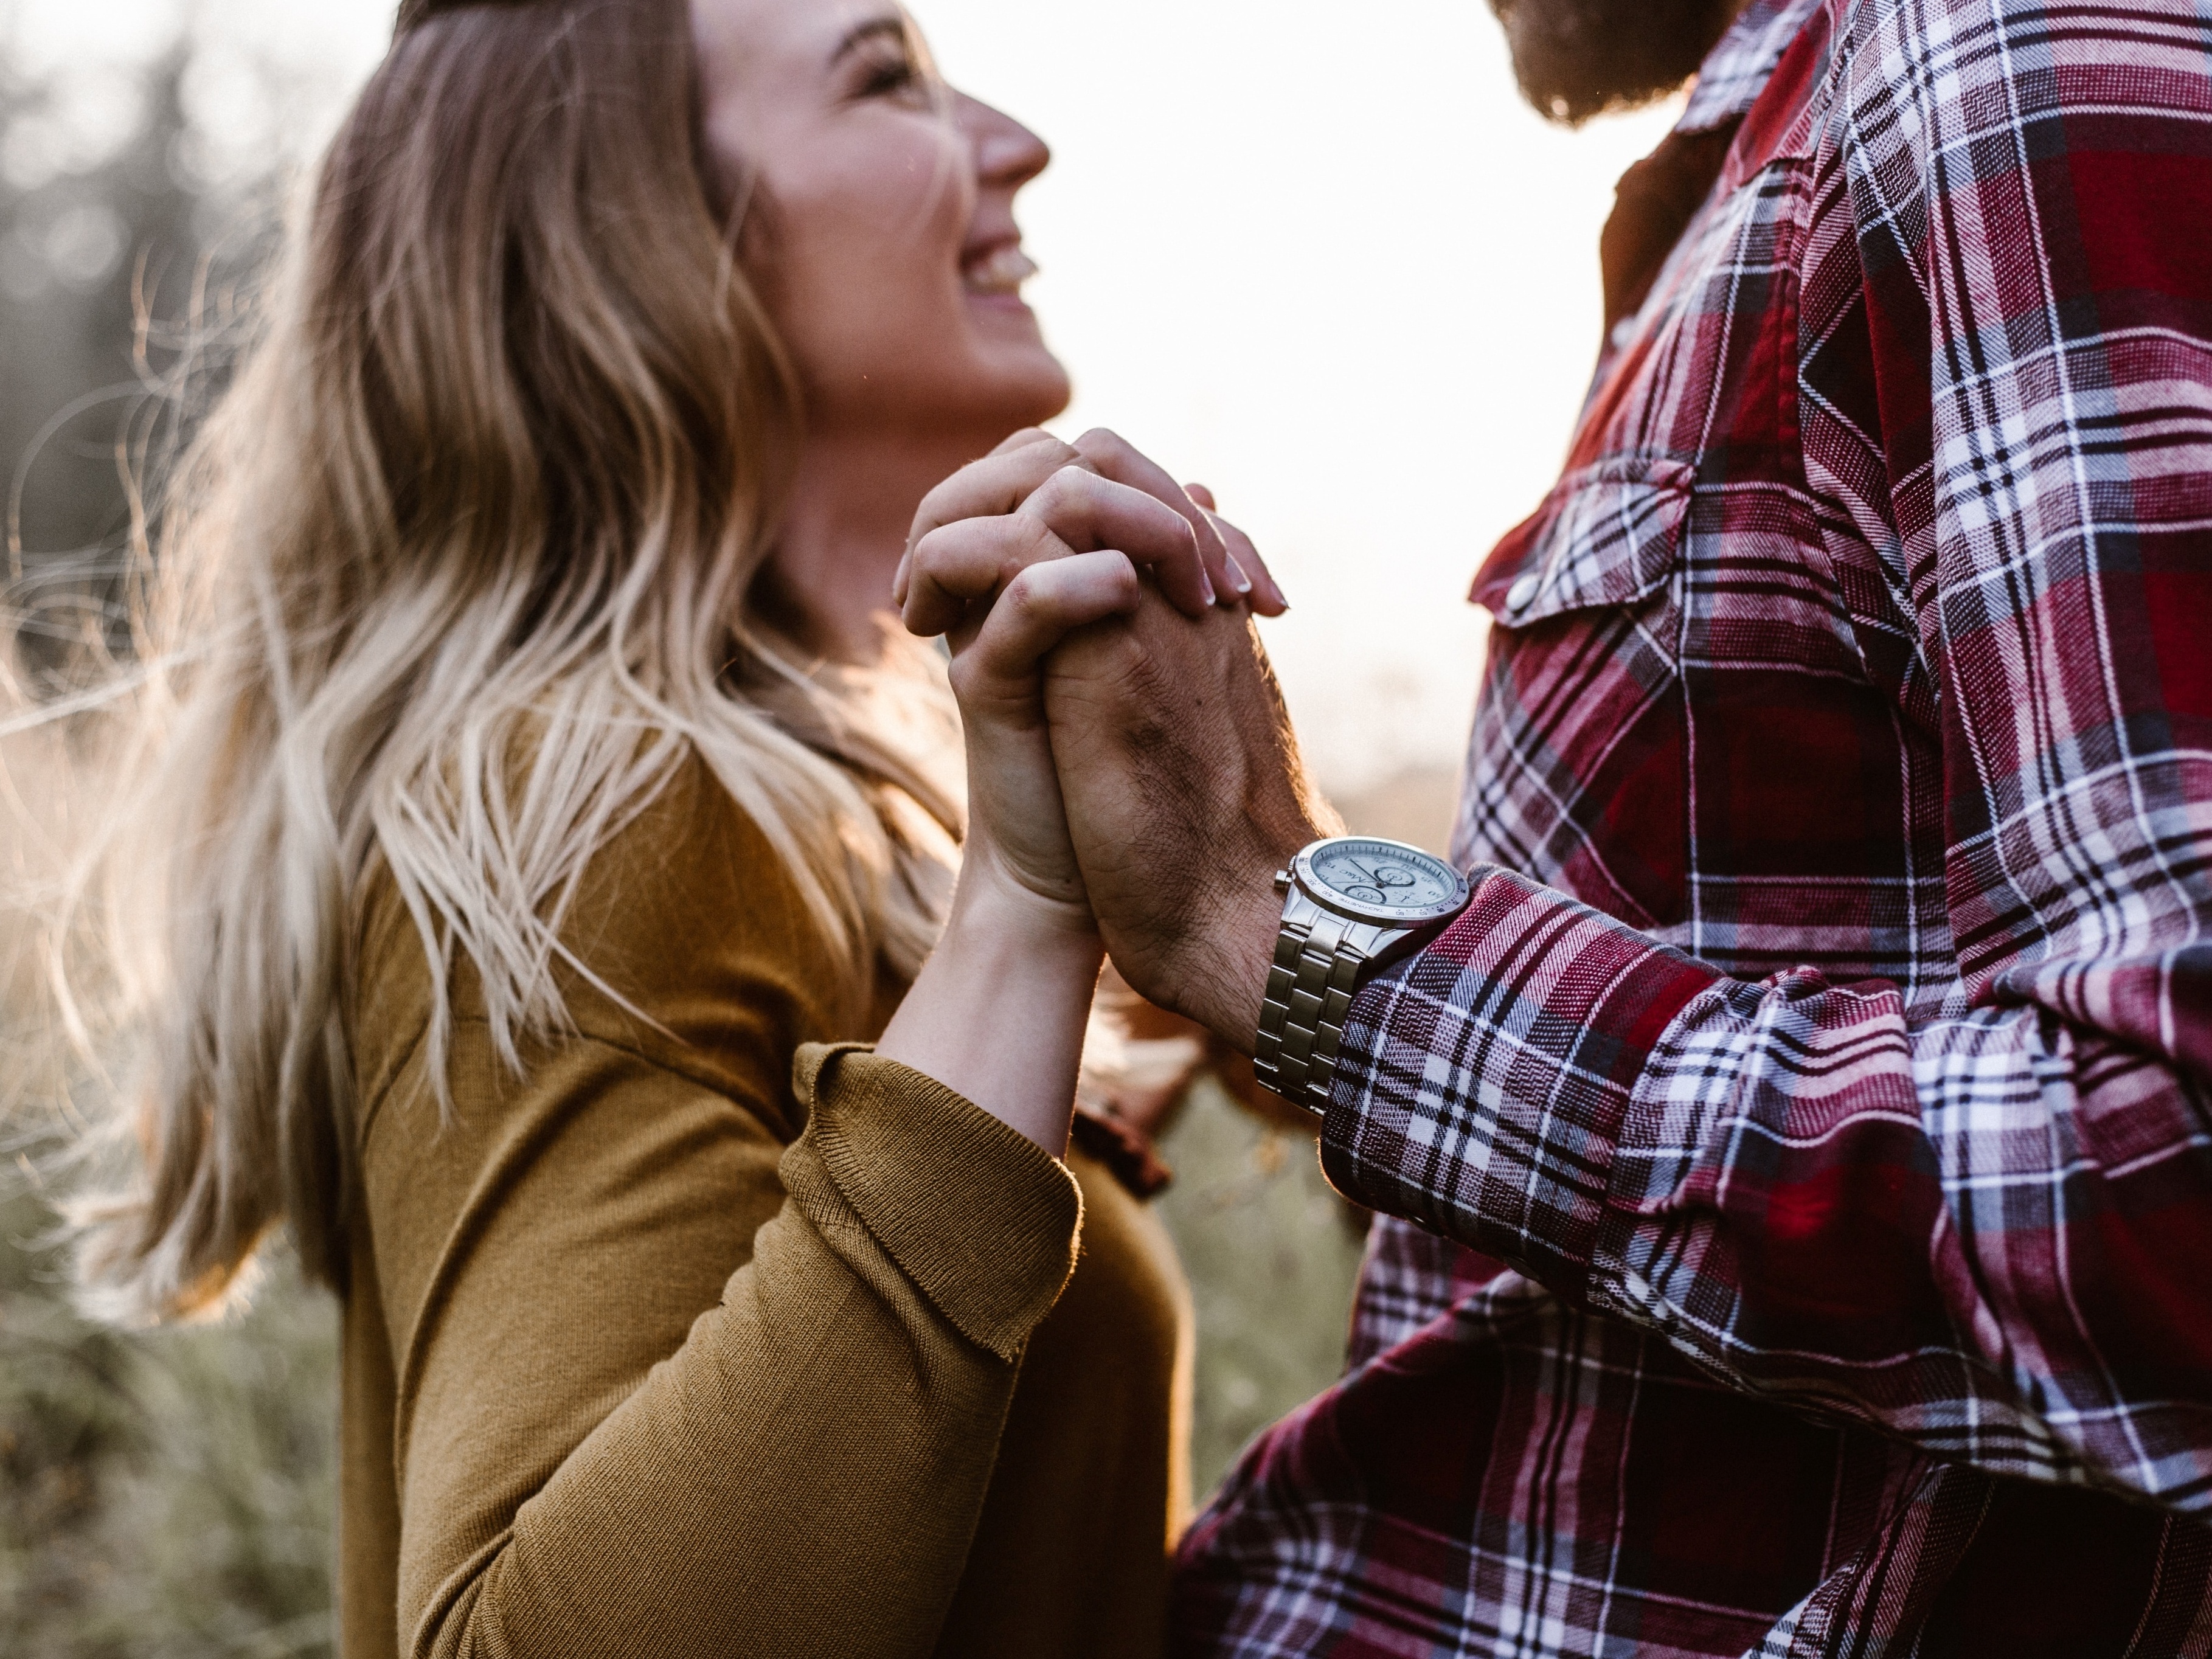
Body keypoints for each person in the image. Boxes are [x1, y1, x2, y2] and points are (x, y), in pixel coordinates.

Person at [902, 0, 2212, 1650]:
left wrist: (1282, 930)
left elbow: (2172, 1176)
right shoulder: (1788, 157)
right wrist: (1290, 918)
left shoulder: (1993, 60)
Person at [36, 1, 1284, 1654]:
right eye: (883, 74)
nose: (1009, 139)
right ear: (641, 240)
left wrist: (1238, 874)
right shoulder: (600, 809)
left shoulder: (809, 813)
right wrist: (1023, 922)